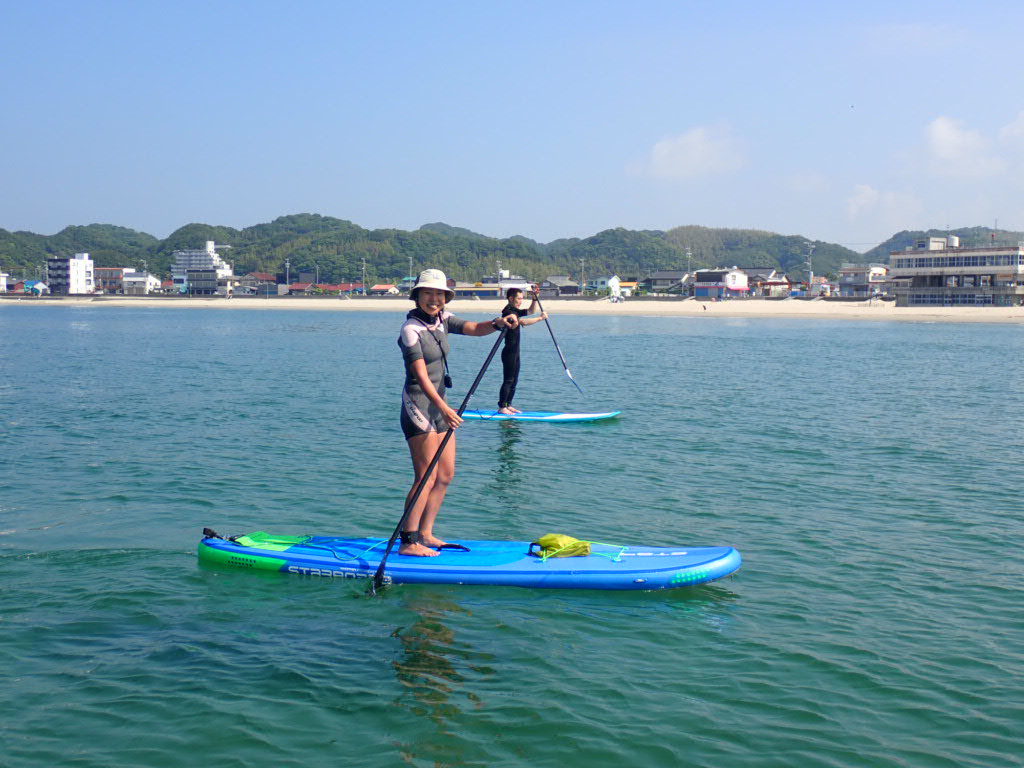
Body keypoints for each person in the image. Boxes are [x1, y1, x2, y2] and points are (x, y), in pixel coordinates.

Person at [397, 269, 519, 557]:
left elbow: (474, 328)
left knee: (445, 475)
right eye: (428, 293)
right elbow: (420, 376)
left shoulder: (443, 320)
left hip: (441, 406)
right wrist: (444, 407)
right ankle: (408, 542)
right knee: (425, 476)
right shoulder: (410, 329)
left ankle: (426, 534)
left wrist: (497, 323)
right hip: (419, 406)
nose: (434, 299)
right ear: (417, 296)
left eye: (439, 294)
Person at [497, 286, 547, 415]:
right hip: (509, 352)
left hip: (515, 352)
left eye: (522, 298)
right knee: (508, 380)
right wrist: (540, 318)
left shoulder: (515, 310)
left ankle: (508, 404)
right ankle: (502, 406)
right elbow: (523, 322)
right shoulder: (508, 311)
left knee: (514, 380)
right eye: (518, 298)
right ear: (511, 298)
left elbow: (530, 311)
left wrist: (534, 299)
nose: (521, 301)